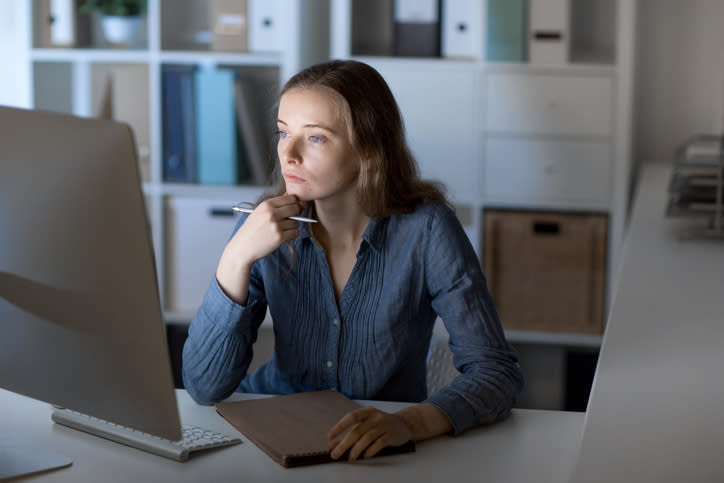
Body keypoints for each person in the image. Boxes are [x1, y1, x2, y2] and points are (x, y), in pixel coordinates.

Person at [182, 59, 523, 461]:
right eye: (283, 132)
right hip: (268, 433)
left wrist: (409, 423)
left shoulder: (427, 230)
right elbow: (204, 387)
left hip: (378, 447)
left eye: (316, 139)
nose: (287, 154)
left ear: (369, 150)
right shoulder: (263, 225)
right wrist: (235, 257)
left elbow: (496, 372)